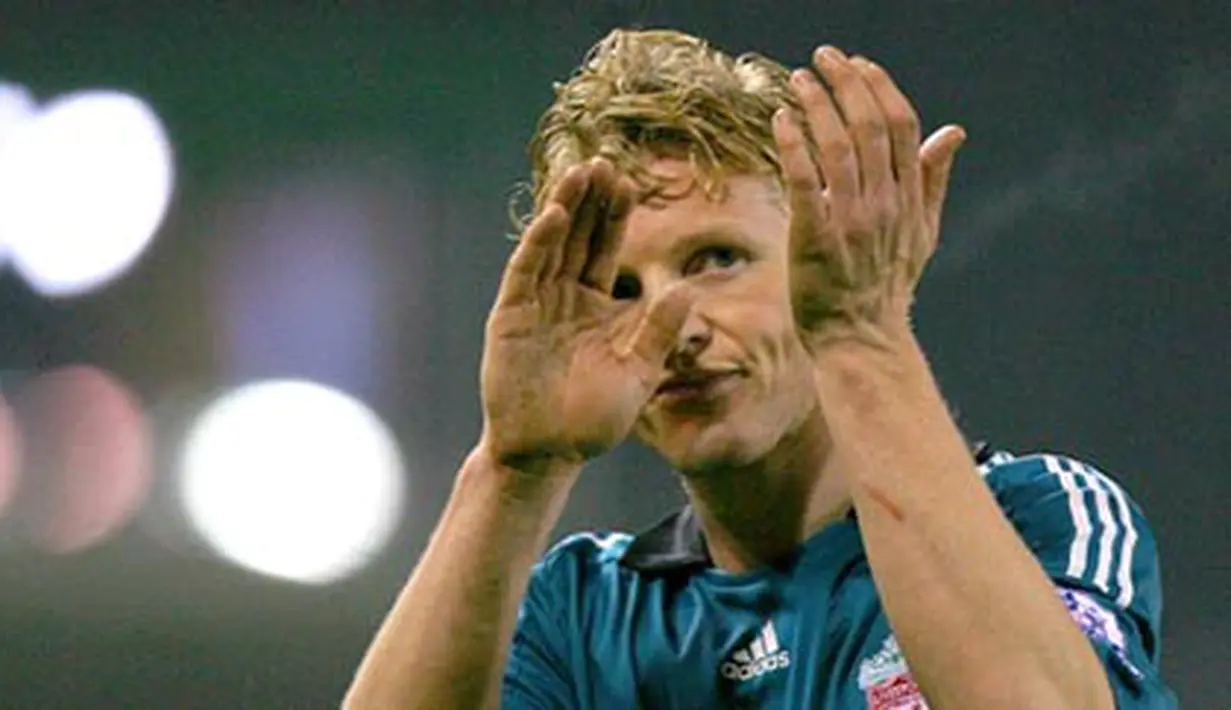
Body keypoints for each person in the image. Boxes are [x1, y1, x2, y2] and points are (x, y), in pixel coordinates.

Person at [344, 29, 1177, 709]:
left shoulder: (1044, 516)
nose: (670, 323)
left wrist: (858, 334)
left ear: (823, 257)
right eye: (621, 286)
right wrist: (512, 469)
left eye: (715, 258)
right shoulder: (575, 614)